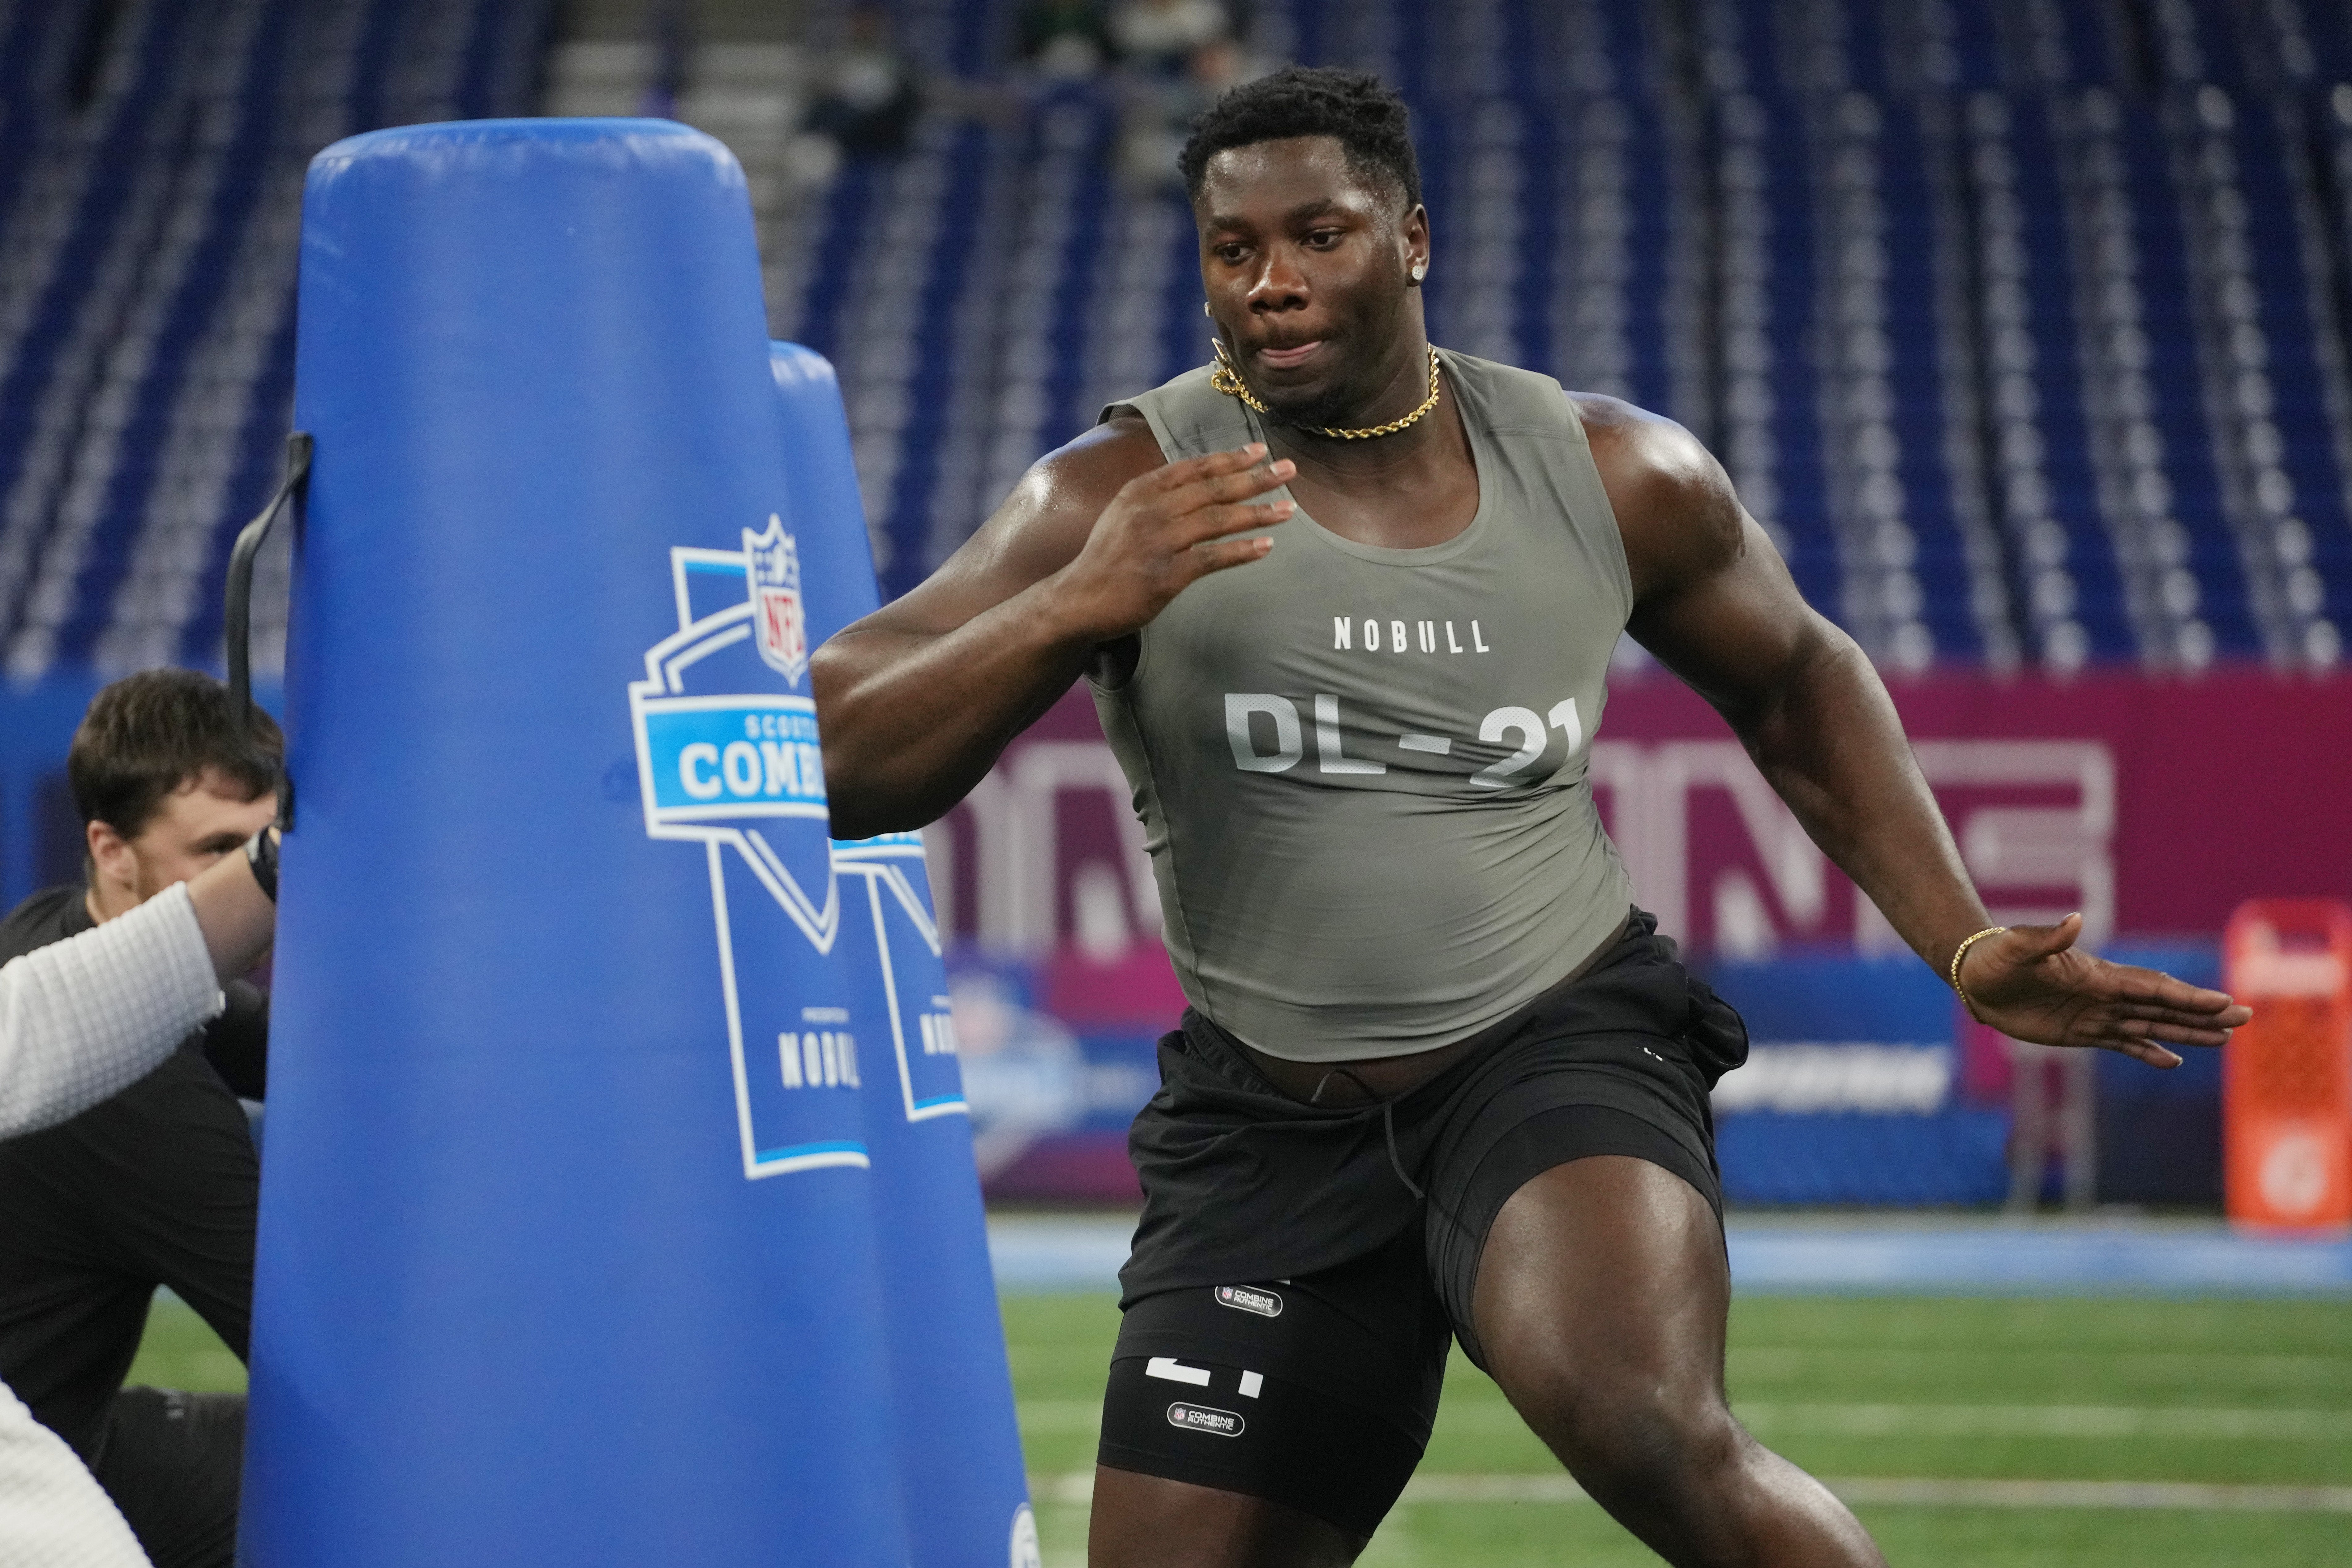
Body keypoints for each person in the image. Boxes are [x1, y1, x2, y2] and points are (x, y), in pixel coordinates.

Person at [812, 67, 2250, 1568]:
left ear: (1413, 239)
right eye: (1234, 251)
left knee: (1638, 1413)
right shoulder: (1121, 486)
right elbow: (832, 753)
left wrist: (1959, 940)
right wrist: (1070, 605)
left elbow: (1800, 681)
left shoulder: (1612, 473)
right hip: (1268, 1121)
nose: (1273, 282)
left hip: (1552, 1045)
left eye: (1320, 235)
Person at [0, 670, 282, 1568]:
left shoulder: (51, 928)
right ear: (111, 850)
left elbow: (272, 1040)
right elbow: (316, 1351)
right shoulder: (136, 1103)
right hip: (30, 1476)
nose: (254, 881)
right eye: (219, 850)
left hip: (65, 1421)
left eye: (267, 845)